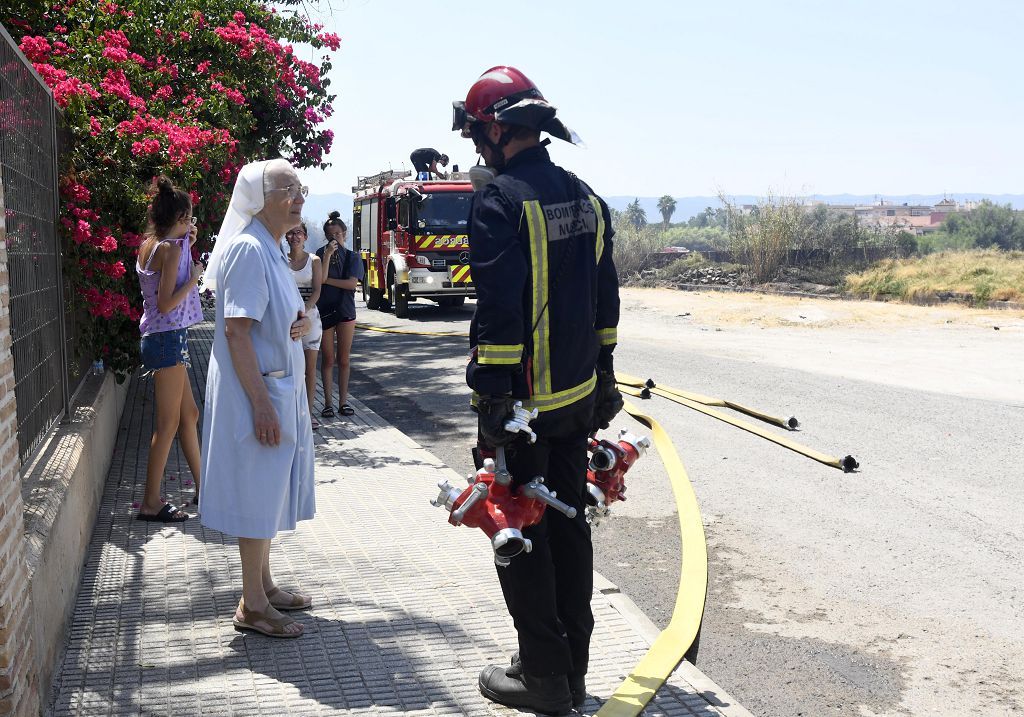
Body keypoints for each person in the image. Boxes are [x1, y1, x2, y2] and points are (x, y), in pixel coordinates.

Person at [452, 66, 623, 715]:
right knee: (567, 523)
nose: (476, 147)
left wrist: (493, 405)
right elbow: (607, 301)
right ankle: (572, 666)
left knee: (517, 533)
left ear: (497, 128)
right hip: (577, 400)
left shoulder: (499, 202)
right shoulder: (586, 197)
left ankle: (544, 676)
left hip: (522, 409)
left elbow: (496, 318)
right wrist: (604, 376)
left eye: (478, 134)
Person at [200, 158, 316, 638]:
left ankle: (262, 585)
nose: (298, 196)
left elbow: (278, 314)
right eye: (287, 188)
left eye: (299, 186)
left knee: (269, 488)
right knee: (257, 491)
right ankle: (251, 605)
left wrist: (303, 323)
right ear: (259, 199)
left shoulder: (268, 246)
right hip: (259, 391)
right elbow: (236, 330)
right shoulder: (249, 248)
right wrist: (261, 404)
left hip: (275, 385)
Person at [135, 175, 204, 522]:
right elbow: (165, 303)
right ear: (179, 218)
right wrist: (195, 278)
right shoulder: (168, 249)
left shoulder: (152, 244)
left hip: (162, 339)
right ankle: (151, 501)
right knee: (168, 423)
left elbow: (167, 278)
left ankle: (204, 487)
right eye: (189, 219)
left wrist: (187, 245)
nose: (191, 224)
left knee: (188, 414)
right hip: (166, 340)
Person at [315, 212, 363, 418]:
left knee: (344, 359)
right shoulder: (319, 254)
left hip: (345, 310)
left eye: (338, 234)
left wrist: (328, 282)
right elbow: (321, 278)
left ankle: (343, 401)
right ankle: (327, 403)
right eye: (330, 235)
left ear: (345, 233)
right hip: (325, 311)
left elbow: (352, 284)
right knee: (327, 359)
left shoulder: (353, 257)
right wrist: (327, 256)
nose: (335, 238)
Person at [286, 223, 324, 430]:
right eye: (291, 233)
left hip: (310, 318)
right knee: (292, 369)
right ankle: (293, 413)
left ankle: (308, 414)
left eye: (298, 233)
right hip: (288, 321)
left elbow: (317, 290)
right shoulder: (281, 260)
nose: (295, 237)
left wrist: (305, 309)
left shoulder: (314, 261)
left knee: (310, 369)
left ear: (306, 236)